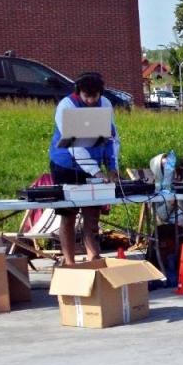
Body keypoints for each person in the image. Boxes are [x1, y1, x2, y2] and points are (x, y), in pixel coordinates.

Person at [48, 71, 119, 264]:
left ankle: (93, 258)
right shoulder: (66, 106)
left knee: (92, 215)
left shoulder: (105, 104)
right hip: (66, 165)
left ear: (100, 94)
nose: (90, 100)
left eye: (94, 96)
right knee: (68, 215)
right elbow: (74, 147)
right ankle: (70, 261)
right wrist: (97, 172)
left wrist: (112, 167)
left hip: (94, 164)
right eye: (86, 96)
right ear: (78, 92)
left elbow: (112, 138)